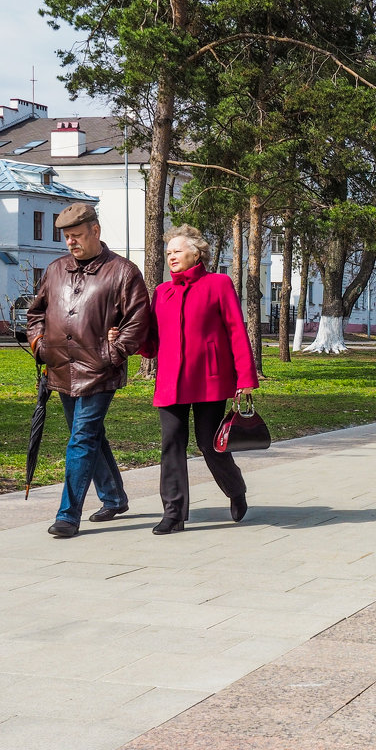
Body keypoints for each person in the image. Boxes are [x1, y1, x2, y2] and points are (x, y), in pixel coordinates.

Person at [123, 224, 259, 535]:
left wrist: (245, 378)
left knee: (210, 444)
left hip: (209, 378)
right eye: (168, 252)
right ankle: (173, 513)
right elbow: (152, 342)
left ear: (196, 253)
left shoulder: (218, 284)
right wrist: (131, 337)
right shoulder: (162, 292)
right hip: (171, 380)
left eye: (177, 250)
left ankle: (235, 490)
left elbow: (237, 331)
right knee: (172, 443)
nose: (171, 256)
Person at [27, 203, 150, 538]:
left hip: (99, 371)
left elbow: (138, 323)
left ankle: (68, 515)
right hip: (60, 369)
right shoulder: (54, 270)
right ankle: (113, 496)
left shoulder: (123, 272)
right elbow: (36, 312)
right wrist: (40, 344)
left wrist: (112, 353)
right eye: (66, 237)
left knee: (80, 438)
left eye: (77, 235)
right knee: (89, 436)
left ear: (95, 230)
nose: (71, 242)